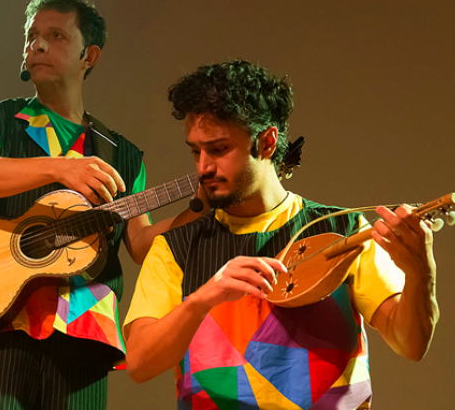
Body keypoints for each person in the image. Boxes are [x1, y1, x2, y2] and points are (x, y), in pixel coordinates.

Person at [124, 60, 439, 409]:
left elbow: (410, 344)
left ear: (267, 142)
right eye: (195, 151)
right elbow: (138, 363)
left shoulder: (341, 230)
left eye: (218, 149)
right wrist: (204, 298)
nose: (203, 167)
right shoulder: (177, 246)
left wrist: (420, 273)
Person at [0, 0, 201, 409]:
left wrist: (200, 207)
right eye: (32, 36)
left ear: (90, 56)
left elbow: (139, 244)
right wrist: (59, 167)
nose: (39, 45)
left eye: (56, 35)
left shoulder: (123, 155)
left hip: (83, 331)